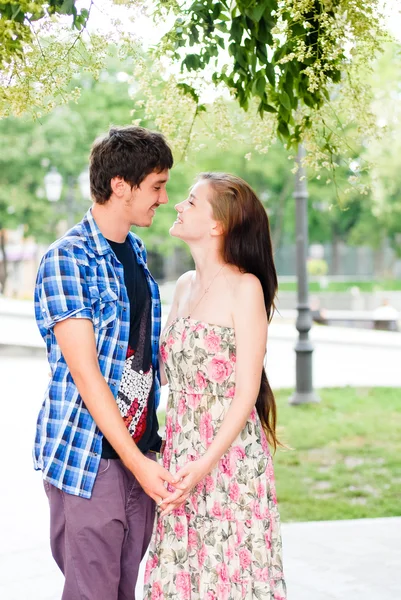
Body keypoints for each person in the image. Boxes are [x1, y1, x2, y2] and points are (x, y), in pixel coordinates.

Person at [33, 126, 176, 600]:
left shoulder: (136, 255)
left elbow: (143, 365)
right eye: (156, 185)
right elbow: (88, 377)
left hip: (139, 456)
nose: (163, 197)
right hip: (89, 462)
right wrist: (136, 462)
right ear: (121, 184)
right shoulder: (67, 260)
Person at [144, 173, 287, 599]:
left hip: (229, 458)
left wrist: (204, 464)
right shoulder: (185, 284)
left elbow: (246, 393)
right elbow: (164, 371)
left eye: (190, 201)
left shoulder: (246, 288)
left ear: (217, 224)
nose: (177, 205)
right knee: (179, 576)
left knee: (230, 577)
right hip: (180, 452)